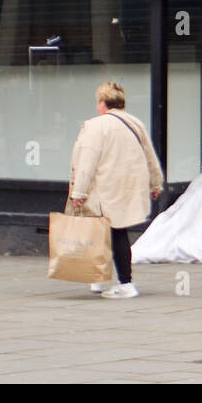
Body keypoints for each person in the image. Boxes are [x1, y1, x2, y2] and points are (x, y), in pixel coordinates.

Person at [68, 81, 164, 299]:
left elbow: (87, 162)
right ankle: (99, 280)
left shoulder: (96, 126)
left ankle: (125, 283)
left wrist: (79, 193)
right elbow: (150, 156)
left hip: (105, 190)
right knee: (115, 232)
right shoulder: (135, 123)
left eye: (98, 102)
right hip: (128, 187)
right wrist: (155, 183)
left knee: (110, 233)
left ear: (103, 103)